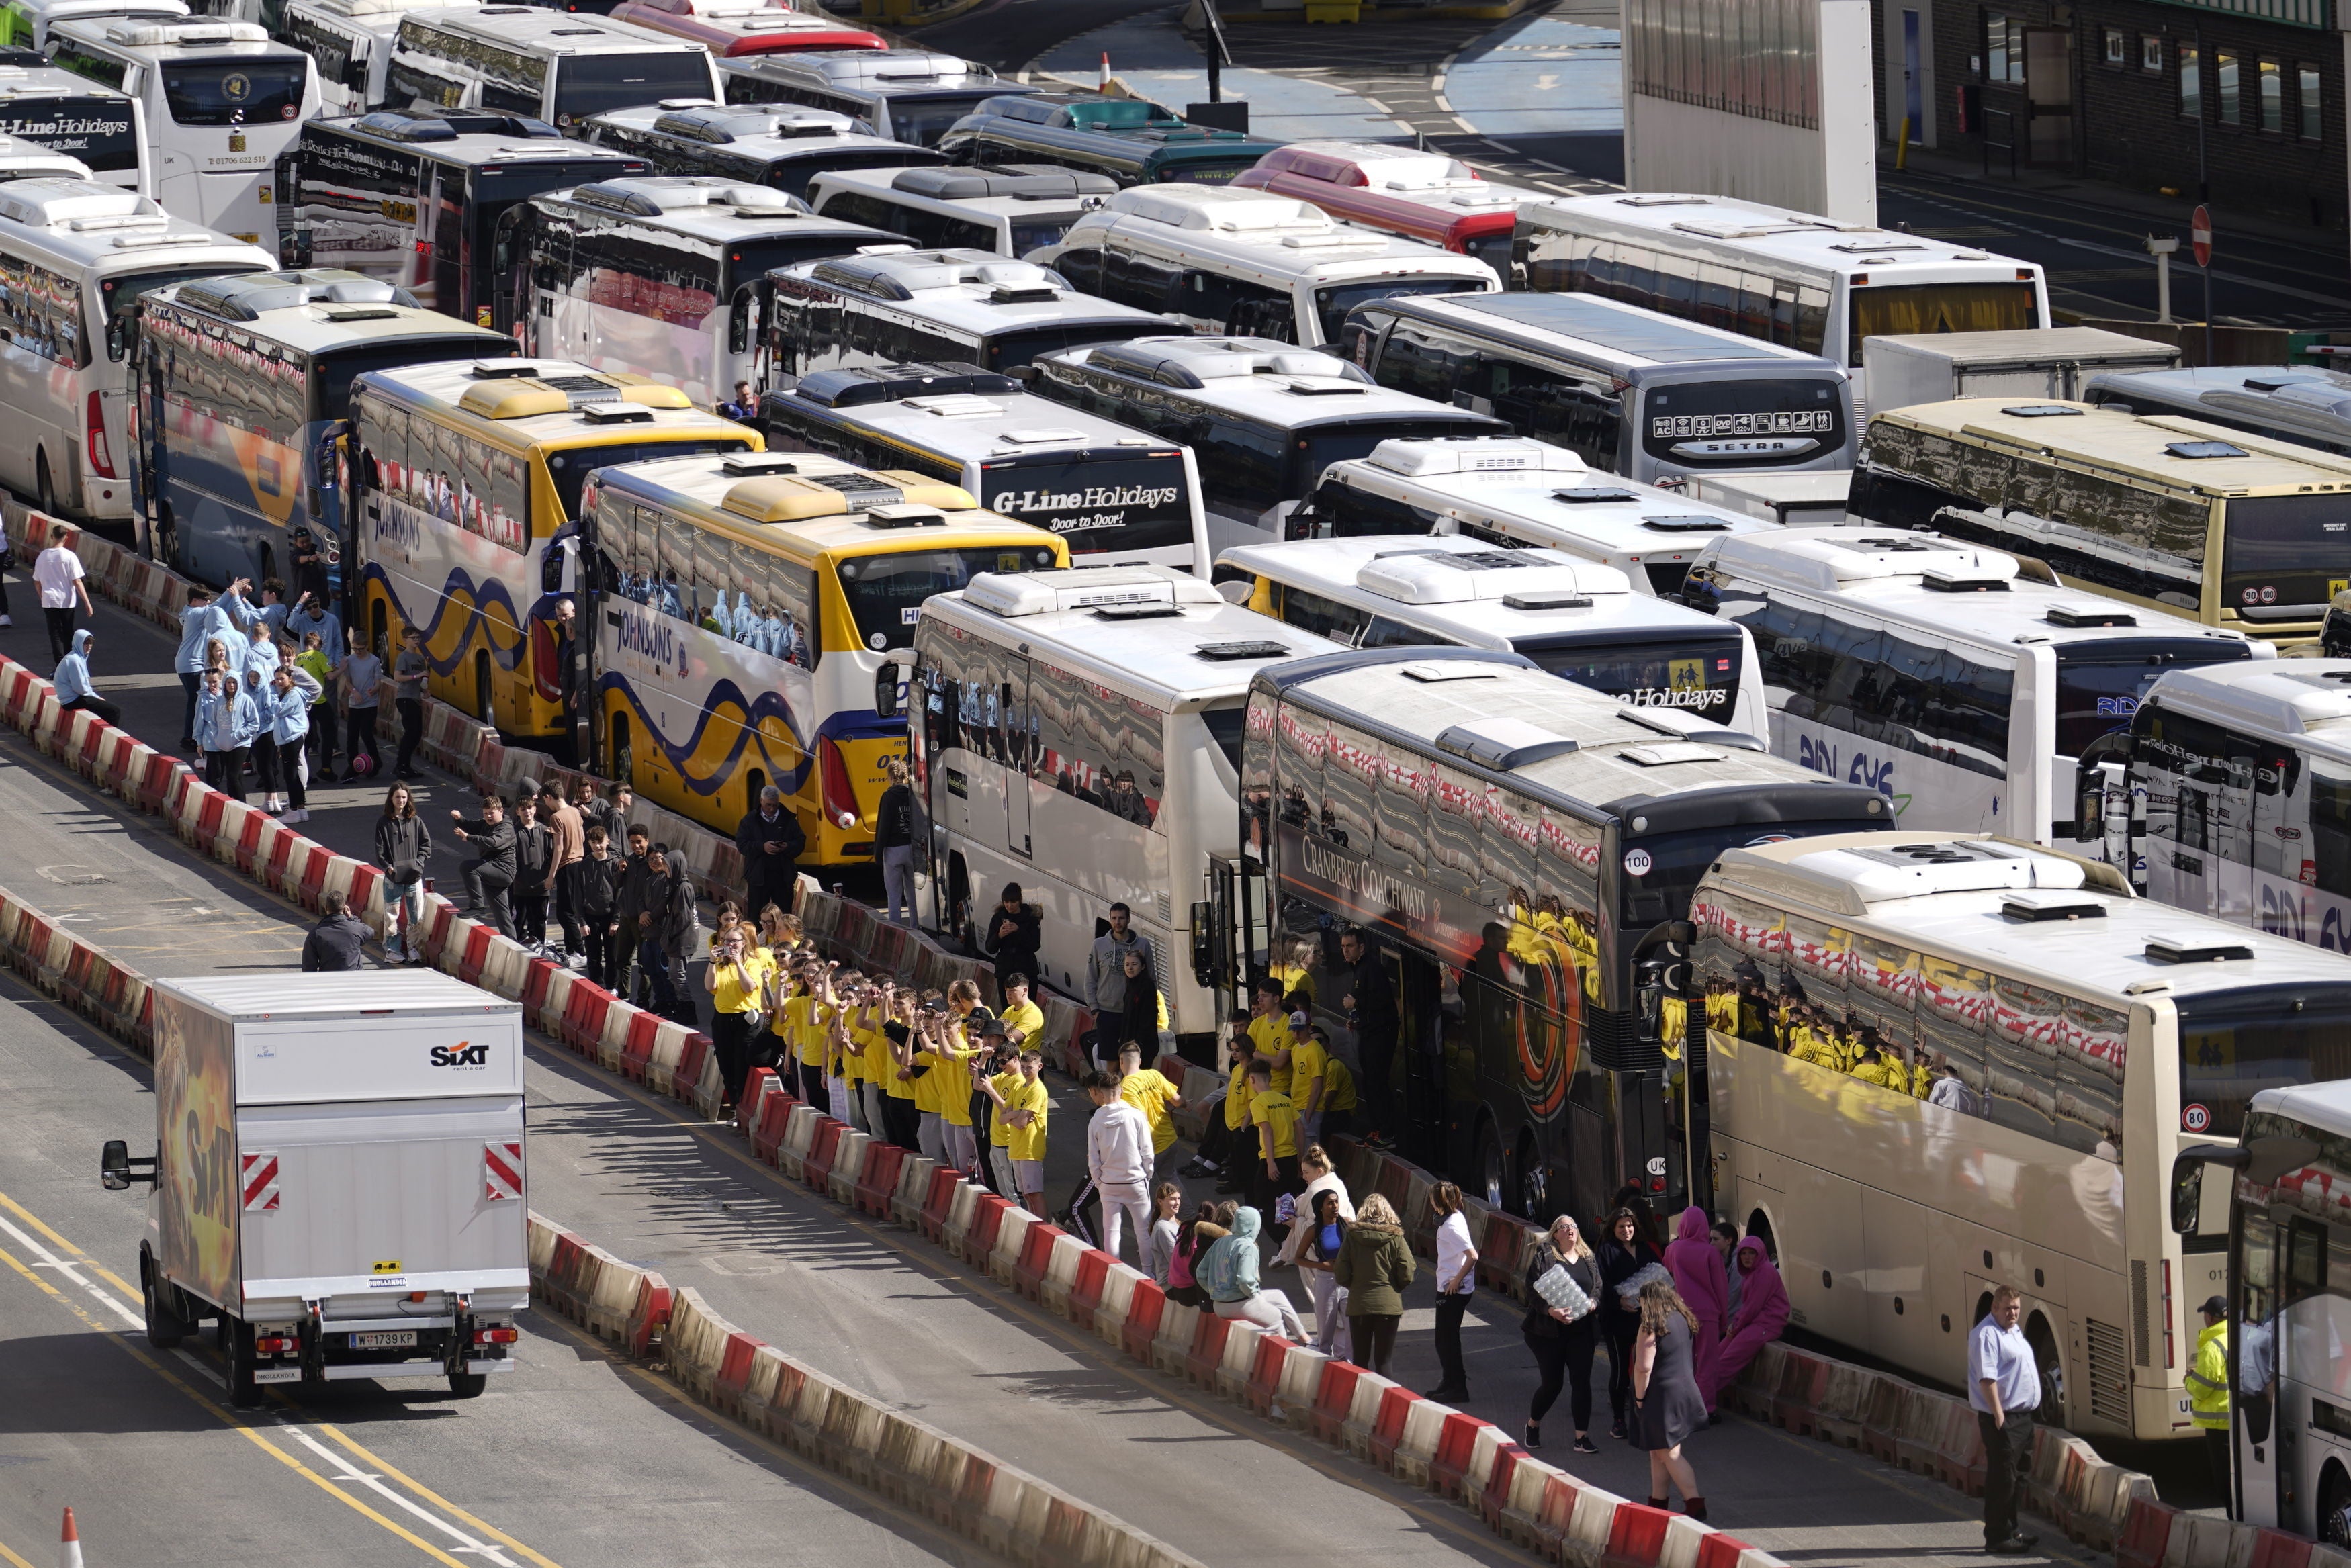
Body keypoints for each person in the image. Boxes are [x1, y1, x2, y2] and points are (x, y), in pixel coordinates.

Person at [1970, 1286, 2041, 1555]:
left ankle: (2012, 1529)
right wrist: (1999, 1415)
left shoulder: (2012, 1330)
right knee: (2003, 1479)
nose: (2013, 1313)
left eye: (2016, 1308)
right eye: (2008, 1308)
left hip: (2023, 1418)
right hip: (2004, 1419)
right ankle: (1997, 1536)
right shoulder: (1987, 1334)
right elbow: (1987, 1379)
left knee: (2018, 1478)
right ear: (1994, 1309)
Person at [1524, 1213, 1603, 1455]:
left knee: (1581, 1383)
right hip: (1550, 1333)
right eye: (1564, 1227)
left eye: (1573, 1225)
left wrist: (1593, 1302)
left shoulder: (1588, 1258)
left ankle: (1582, 1438)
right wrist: (1551, 1311)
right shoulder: (1545, 1257)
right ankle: (1533, 1424)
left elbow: (1598, 1286)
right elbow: (1531, 1292)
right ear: (1555, 1234)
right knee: (1553, 1384)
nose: (1569, 1229)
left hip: (1581, 1331)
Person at [1633, 1279, 1710, 1520]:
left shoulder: (1650, 1325)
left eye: (1641, 1301)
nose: (1640, 1306)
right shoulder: (1682, 1319)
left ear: (1649, 1301)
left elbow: (1643, 1368)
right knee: (1657, 1451)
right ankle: (1658, 1502)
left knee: (1669, 1452)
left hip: (1661, 1396)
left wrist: (1639, 1398)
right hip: (1685, 1390)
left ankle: (1695, 1504)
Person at [1599, 1206, 1665, 1441]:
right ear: (1613, 1229)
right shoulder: (1606, 1251)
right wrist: (1618, 1302)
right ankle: (1618, 1420)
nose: (1626, 1230)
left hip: (1645, 1320)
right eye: (1621, 1227)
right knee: (1620, 1372)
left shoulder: (1645, 1249)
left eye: (1629, 1226)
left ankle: (1645, 1418)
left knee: (1648, 1370)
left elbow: (1660, 1276)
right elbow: (1601, 1285)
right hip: (1617, 1321)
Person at [1197, 1205, 1309, 1341]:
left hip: (1219, 1305)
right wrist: (1254, 1295)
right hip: (1241, 1303)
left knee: (1278, 1296)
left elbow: (1201, 1273)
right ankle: (1280, 1361)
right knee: (1276, 1319)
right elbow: (1245, 1280)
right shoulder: (1248, 1247)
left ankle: (1305, 1338)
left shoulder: (1220, 1242)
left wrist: (1215, 1291)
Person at [1333, 1192, 1413, 1375]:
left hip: (1359, 1305)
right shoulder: (1396, 1238)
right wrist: (1395, 1288)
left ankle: (1361, 1401)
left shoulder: (1352, 1237)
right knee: (1384, 1361)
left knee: (1360, 1360)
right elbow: (1407, 1270)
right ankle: (1386, 1402)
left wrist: (1354, 1286)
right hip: (1388, 1305)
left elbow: (1340, 1271)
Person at [1083, 1069, 1155, 1267]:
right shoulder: (1136, 1116)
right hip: (1136, 1181)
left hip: (1109, 1184)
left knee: (1111, 1232)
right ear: (1120, 1091)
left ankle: (1114, 1271)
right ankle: (1148, 1272)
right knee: (1143, 1231)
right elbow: (1147, 1151)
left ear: (1101, 1093)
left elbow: (1094, 1158)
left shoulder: (1095, 1120)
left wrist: (1099, 1182)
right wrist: (1146, 1175)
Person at [704, 920, 774, 1113]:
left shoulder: (752, 963)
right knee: (726, 1064)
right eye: (727, 941)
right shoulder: (720, 965)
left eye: (735, 941)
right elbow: (710, 987)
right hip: (723, 1018)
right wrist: (712, 962)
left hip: (746, 1019)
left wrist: (737, 963)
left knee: (740, 1064)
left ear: (744, 943)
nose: (731, 945)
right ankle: (736, 1105)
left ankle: (743, 1106)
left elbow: (748, 987)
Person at [1663, 1206, 1728, 1417]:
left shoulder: (1673, 1250)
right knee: (1707, 1363)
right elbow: (1721, 1288)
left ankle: (1683, 1408)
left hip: (1679, 1315)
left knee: (1683, 1362)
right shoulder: (1711, 1253)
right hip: (1707, 1315)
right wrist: (1723, 1320)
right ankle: (1705, 1409)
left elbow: (1664, 1277)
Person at [1340, 927, 1397, 1149]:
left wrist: (1357, 1004)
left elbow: (1383, 1001)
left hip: (1381, 1035)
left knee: (1377, 1083)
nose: (1345, 951)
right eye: (1343, 946)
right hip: (1368, 1031)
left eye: (1350, 946)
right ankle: (1377, 1130)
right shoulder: (1357, 968)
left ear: (1361, 947)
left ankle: (1387, 1133)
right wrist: (1356, 1019)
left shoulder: (1371, 968)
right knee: (1369, 1083)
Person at [1713, 1237, 1789, 1398]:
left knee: (1727, 1360)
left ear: (1760, 1254)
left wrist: (1736, 1325)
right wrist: (1736, 1325)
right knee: (1717, 1354)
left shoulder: (1765, 1271)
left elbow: (1753, 1306)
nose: (1747, 1257)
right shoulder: (1753, 1272)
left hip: (1767, 1324)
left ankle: (1701, 1399)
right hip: (1754, 1322)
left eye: (1752, 1253)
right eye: (1744, 1254)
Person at [1428, 1181, 1478, 1403]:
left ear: (1438, 1201)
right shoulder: (1452, 1218)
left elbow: (1473, 1256)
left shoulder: (1451, 1226)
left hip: (1453, 1291)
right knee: (1444, 1340)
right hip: (1450, 1286)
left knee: (1446, 1341)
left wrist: (1456, 1281)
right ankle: (1449, 1381)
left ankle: (1457, 1387)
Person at [560, 823, 625, 985]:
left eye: (600, 842)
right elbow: (578, 895)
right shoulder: (583, 866)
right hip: (590, 918)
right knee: (593, 957)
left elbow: (620, 894)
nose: (597, 846)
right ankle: (597, 986)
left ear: (607, 841)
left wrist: (616, 921)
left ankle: (612, 987)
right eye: (594, 842)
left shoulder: (614, 864)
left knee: (612, 956)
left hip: (610, 916)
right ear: (589, 843)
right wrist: (581, 922)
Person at [641, 843, 699, 1020]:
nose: (664, 867)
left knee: (677, 976)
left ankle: (687, 1011)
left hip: (681, 940)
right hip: (676, 939)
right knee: (674, 975)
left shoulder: (683, 888)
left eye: (667, 865)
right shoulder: (676, 885)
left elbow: (683, 918)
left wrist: (669, 935)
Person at [375, 783, 433, 964]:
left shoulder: (416, 820)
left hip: (414, 877)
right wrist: (388, 866)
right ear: (391, 799)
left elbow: (426, 845)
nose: (401, 800)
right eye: (398, 797)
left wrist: (420, 862)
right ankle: (392, 950)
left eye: (404, 797)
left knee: (416, 916)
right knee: (391, 916)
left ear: (408, 799)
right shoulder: (383, 822)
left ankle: (413, 949)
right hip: (393, 879)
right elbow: (380, 850)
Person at [1115, 1042, 1184, 1187]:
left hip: (1152, 1146)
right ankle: (1187, 1211)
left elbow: (1140, 1119)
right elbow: (1177, 1101)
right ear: (1139, 1061)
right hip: (1170, 1139)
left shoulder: (1125, 1087)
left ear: (1121, 1061)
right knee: (1170, 1180)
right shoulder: (1154, 1075)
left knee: (1136, 1188)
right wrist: (1187, 1105)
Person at [1295, 1188, 1351, 1361]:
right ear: (1320, 1208)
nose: (1335, 1206)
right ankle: (1325, 1364)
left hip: (1348, 1281)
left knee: (1352, 1328)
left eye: (1336, 1201)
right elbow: (1298, 1258)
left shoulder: (1348, 1224)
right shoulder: (1314, 1230)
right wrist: (1321, 1265)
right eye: (1330, 1203)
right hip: (1326, 1282)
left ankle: (1351, 1365)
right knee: (1326, 1331)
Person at [736, 784, 804, 924]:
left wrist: (787, 846)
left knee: (784, 917)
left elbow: (800, 841)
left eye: (775, 805)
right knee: (756, 916)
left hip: (783, 876)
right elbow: (742, 845)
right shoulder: (750, 820)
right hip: (759, 877)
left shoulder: (788, 819)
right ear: (761, 801)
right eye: (768, 805)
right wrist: (762, 847)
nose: (771, 809)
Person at [451, 796, 517, 938]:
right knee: (502, 914)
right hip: (490, 870)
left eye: (491, 813)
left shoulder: (506, 828)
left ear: (500, 811)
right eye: (485, 813)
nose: (488, 816)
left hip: (503, 870)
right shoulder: (485, 824)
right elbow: (469, 826)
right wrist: (459, 818)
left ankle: (477, 906)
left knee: (468, 867)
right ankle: (513, 946)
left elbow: (494, 842)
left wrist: (469, 838)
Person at [1087, 903, 1153, 1045]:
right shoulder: (1099, 945)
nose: (1117, 922)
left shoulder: (1143, 945)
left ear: (1129, 919)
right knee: (1111, 1062)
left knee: (1132, 1060)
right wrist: (1095, 1010)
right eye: (1114, 918)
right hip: (1106, 1013)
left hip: (1134, 1014)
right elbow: (1090, 979)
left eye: (1121, 918)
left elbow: (1151, 980)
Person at [2188, 1295, 2231, 1508]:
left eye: (2205, 1314)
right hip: (2240, 1420)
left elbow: (2203, 1388)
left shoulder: (2212, 1347)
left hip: (2219, 1425)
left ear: (2211, 1318)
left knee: (2225, 1482)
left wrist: (2189, 1380)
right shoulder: (2242, 1336)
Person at [1244, 1057, 1299, 1217]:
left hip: (1272, 1158)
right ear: (1271, 1077)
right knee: (1287, 1202)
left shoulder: (1258, 1103)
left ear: (1252, 1079)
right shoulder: (1285, 1100)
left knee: (1264, 1203)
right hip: (1291, 1156)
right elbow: (1300, 1129)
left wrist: (1270, 1163)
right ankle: (1287, 1236)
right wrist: (1300, 1157)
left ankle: (1280, 1237)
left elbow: (1267, 1131)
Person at [255, 663, 310, 823]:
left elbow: (278, 710)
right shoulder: (287, 693)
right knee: (294, 776)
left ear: (290, 679)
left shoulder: (292, 695)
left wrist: (271, 692)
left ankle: (293, 811)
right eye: (277, 679)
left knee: (290, 775)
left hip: (292, 738)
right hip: (289, 738)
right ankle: (301, 810)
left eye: (282, 679)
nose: (279, 682)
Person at [539, 780, 585, 961]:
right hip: (580, 862)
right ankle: (571, 949)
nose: (547, 804)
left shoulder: (556, 817)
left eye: (546, 801)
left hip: (567, 866)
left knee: (564, 913)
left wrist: (551, 876)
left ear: (549, 797)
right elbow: (580, 836)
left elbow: (559, 848)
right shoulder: (574, 811)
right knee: (572, 909)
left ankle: (581, 952)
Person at [34, 524, 90, 664]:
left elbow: (37, 581)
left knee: (55, 633)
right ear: (66, 537)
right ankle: (69, 661)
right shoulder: (70, 556)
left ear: (52, 537)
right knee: (68, 631)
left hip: (49, 600)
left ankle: (59, 664)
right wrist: (87, 602)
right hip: (67, 600)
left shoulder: (43, 556)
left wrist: (42, 596)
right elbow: (77, 581)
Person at [875, 757, 917, 923]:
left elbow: (883, 827)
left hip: (893, 850)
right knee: (913, 894)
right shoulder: (913, 795)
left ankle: (896, 929)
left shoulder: (888, 797)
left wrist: (878, 853)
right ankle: (916, 927)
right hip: (912, 849)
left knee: (894, 896)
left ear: (890, 777)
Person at [510, 791, 553, 950]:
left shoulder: (545, 830)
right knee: (519, 920)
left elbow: (551, 854)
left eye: (529, 808)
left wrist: (548, 875)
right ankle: (517, 949)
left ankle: (540, 948)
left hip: (541, 887)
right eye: (523, 809)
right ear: (517, 812)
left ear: (535, 809)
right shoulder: (514, 833)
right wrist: (518, 876)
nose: (527, 811)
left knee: (540, 920)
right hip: (521, 887)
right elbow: (511, 858)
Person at [340, 631, 384, 780]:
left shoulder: (374, 661)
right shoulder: (350, 661)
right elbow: (347, 681)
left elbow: (378, 682)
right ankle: (352, 766)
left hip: (370, 703)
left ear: (367, 647)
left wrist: (374, 689)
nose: (358, 652)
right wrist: (354, 691)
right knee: (351, 736)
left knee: (366, 733)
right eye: (355, 649)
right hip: (355, 703)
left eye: (361, 649)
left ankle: (376, 761)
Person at [981, 884, 1040, 993]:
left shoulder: (1031, 917)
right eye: (1006, 902)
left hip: (1026, 970)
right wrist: (999, 936)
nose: (1009, 905)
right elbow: (989, 948)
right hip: (1005, 970)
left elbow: (1035, 945)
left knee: (1028, 1008)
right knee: (1008, 1008)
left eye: (1013, 902)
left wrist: (1019, 931)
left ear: (1020, 900)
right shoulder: (998, 918)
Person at [52, 628, 118, 725]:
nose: (89, 646)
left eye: (91, 643)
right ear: (78, 643)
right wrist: (96, 697)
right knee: (114, 711)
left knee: (104, 708)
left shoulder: (77, 658)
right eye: (86, 643)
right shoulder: (74, 660)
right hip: (72, 700)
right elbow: (80, 688)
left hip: (72, 699)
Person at [1114, 947, 1166, 1062]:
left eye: (1134, 964)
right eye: (1127, 965)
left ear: (1143, 967)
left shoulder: (1147, 987)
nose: (1130, 968)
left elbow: (1147, 1018)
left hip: (1142, 1046)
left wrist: (1137, 1043)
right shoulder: (1131, 985)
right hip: (1130, 1044)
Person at [300, 889, 371, 971]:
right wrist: (351, 917)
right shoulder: (355, 928)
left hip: (330, 981)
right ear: (344, 909)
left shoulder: (316, 934)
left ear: (326, 907)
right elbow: (370, 933)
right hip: (354, 981)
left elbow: (308, 967)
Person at [392, 627, 429, 780]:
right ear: (405, 640)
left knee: (416, 734)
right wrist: (416, 676)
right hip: (405, 698)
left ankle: (406, 765)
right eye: (413, 638)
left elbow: (421, 680)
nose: (417, 640)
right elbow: (397, 677)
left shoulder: (420, 659)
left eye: (418, 637)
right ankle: (401, 766)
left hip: (415, 698)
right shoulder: (403, 657)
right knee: (411, 733)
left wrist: (424, 690)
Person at [1143, 1181, 1184, 1286]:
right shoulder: (1163, 1229)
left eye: (1178, 1199)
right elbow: (1175, 1260)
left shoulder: (1174, 1222)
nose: (1177, 1203)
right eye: (1173, 1199)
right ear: (1160, 1201)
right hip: (1171, 1284)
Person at [1710, 1220, 1744, 1324]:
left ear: (1729, 1240)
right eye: (1711, 1239)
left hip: (1735, 1320)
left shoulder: (1737, 1264)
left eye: (1716, 1239)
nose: (1711, 1243)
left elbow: (1732, 1296)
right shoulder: (1722, 1260)